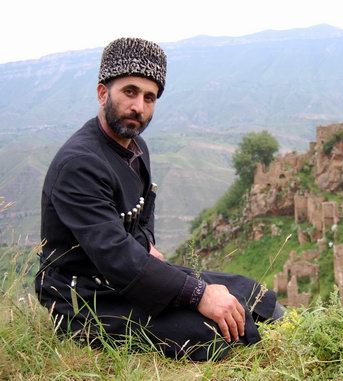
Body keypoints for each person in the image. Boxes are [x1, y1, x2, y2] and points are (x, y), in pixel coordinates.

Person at [35, 37, 283, 361]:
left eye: (149, 97)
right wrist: (198, 293)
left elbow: (139, 223)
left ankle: (285, 326)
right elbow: (117, 257)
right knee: (210, 334)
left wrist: (148, 248)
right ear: (102, 93)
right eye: (130, 92)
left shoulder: (135, 147)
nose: (139, 106)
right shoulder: (79, 164)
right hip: (84, 296)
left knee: (251, 294)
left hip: (129, 276)